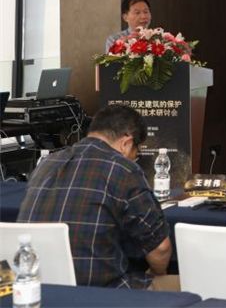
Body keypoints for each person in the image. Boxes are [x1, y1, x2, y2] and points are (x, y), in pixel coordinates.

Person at [17, 104, 173, 289]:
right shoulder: (123, 170)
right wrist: (157, 274)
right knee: (186, 286)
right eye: (136, 154)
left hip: (38, 289)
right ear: (126, 143)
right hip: (102, 293)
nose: (134, 159)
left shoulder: (46, 163)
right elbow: (160, 249)